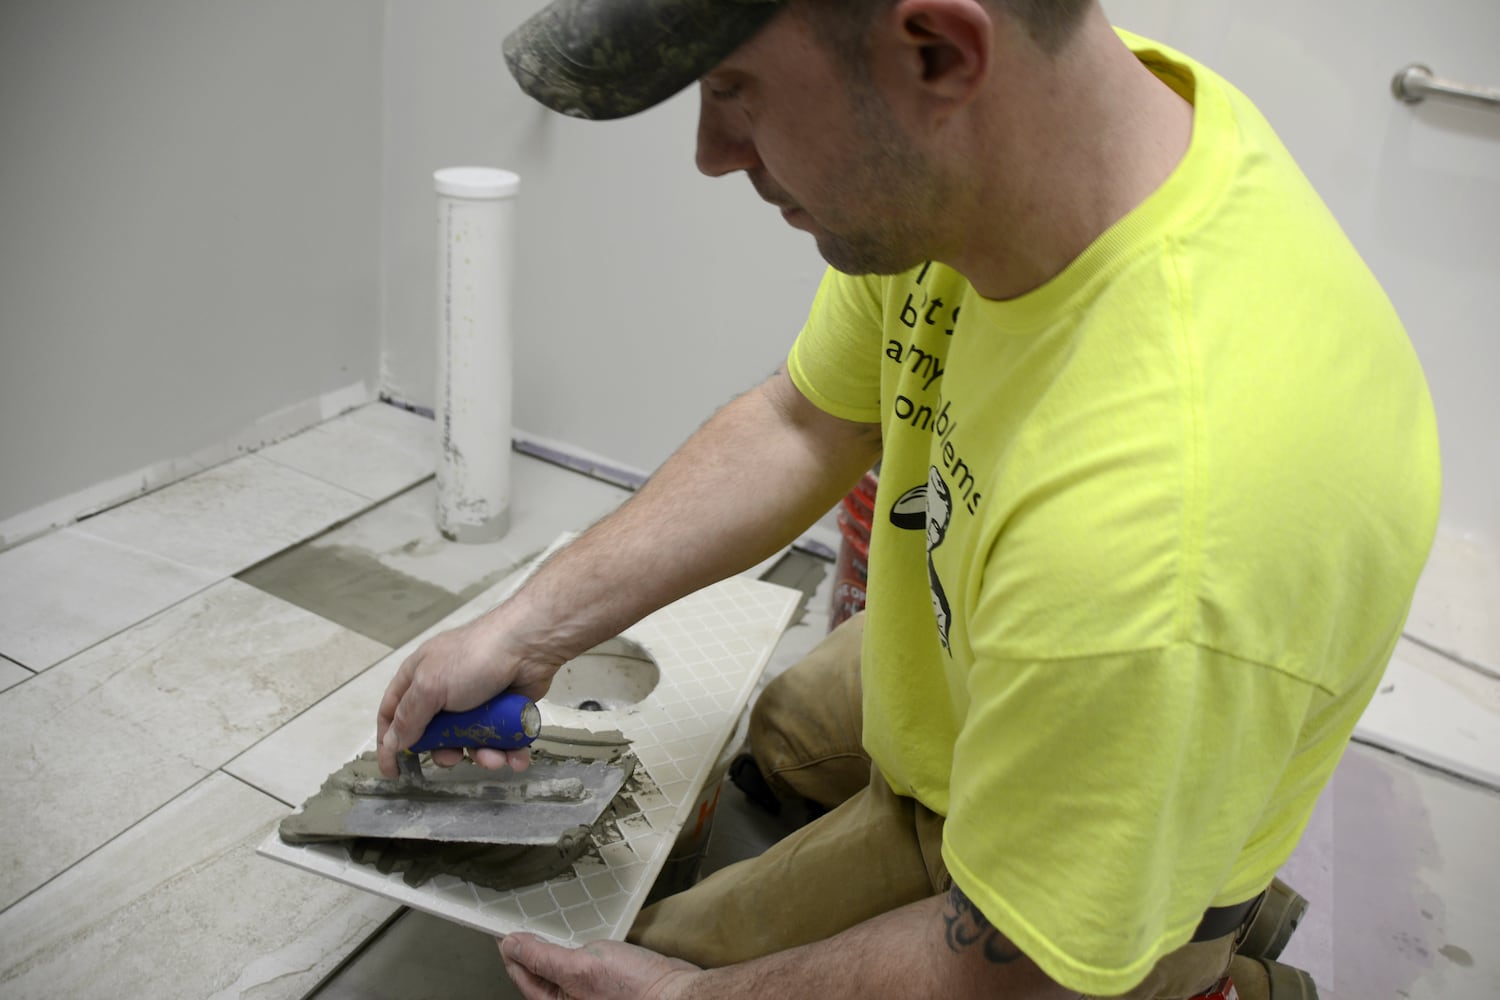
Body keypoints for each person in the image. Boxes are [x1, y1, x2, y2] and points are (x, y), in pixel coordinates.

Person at [376, 1, 1442, 997]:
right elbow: (809, 417)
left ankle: (1200, 939)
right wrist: (528, 625)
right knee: (789, 733)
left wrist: (697, 994)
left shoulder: (1158, 525)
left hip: (1055, 912)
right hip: (1058, 648)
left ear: (937, 51)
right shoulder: (1018, 158)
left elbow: (1009, 968)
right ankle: (1143, 789)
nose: (711, 153)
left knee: (640, 958)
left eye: (737, 89)